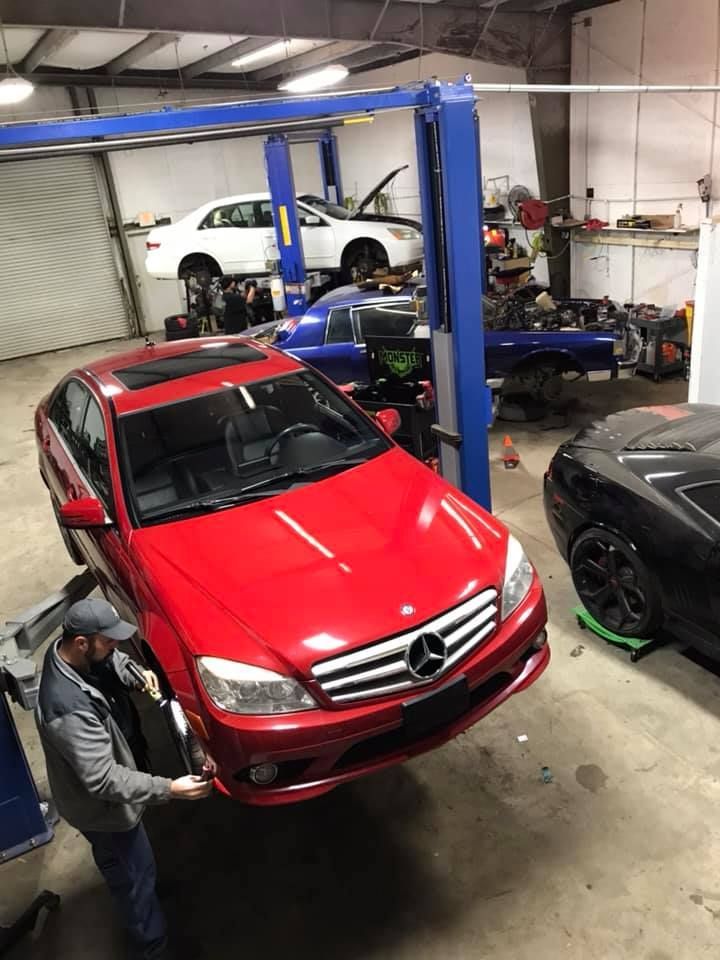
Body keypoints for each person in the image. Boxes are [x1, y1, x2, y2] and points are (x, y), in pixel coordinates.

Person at [35, 598, 213, 960]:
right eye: (110, 641)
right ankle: (154, 948)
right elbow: (102, 780)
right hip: (102, 810)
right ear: (83, 642)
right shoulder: (66, 707)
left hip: (118, 786)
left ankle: (145, 889)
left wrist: (135, 672)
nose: (115, 646)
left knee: (139, 864)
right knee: (131, 879)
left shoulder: (77, 654)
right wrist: (168, 788)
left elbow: (112, 661)